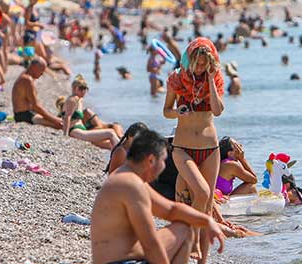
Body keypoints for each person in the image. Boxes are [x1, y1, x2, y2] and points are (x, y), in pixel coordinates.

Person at [91, 129, 225, 264]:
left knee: (184, 227)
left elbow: (171, 210)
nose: (164, 167)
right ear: (151, 160)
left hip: (123, 258)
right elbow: (150, 245)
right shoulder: (131, 185)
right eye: (163, 161)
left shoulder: (126, 177)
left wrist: (207, 221)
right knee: (185, 232)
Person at [162, 38, 225, 264]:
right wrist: (179, 111)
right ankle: (193, 241)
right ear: (190, 61)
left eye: (204, 64)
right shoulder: (177, 80)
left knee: (206, 207)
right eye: (197, 63)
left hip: (210, 148)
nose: (199, 68)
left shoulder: (215, 80)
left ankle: (201, 260)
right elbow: (166, 111)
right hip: (183, 147)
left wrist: (209, 81)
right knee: (202, 192)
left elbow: (217, 111)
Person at [57, 75, 120, 149]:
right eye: (85, 90)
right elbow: (67, 117)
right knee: (111, 133)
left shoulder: (79, 100)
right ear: (77, 89)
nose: (85, 92)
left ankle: (121, 157)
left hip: (81, 130)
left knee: (109, 144)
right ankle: (122, 155)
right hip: (75, 131)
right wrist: (65, 136)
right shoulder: (73, 100)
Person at [11, 57, 63, 129]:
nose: (42, 73)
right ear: (33, 67)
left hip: (26, 113)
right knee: (59, 125)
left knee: (59, 121)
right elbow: (36, 106)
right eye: (41, 70)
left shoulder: (25, 75)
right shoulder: (27, 80)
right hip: (24, 116)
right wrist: (54, 120)